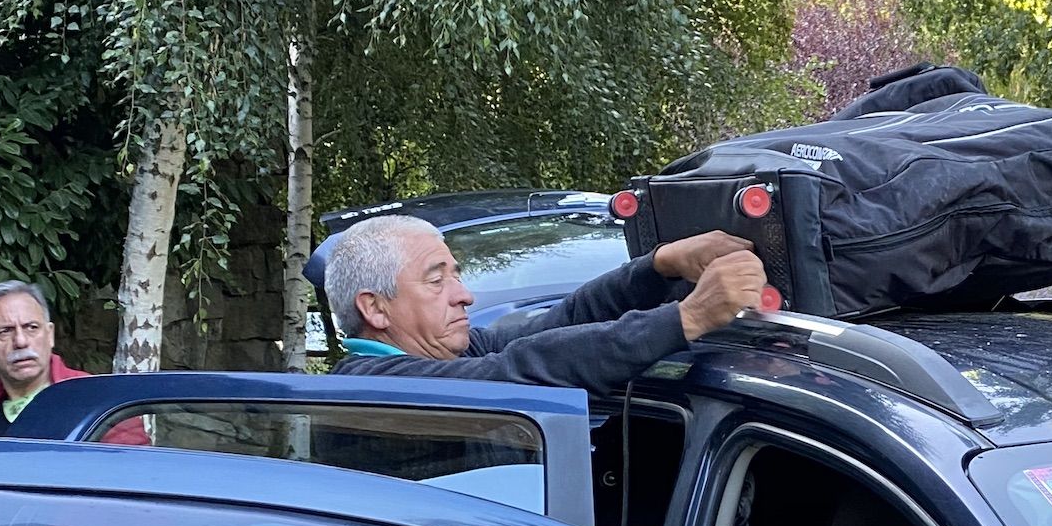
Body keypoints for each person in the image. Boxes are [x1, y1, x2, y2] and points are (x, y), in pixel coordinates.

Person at [322, 214, 770, 391]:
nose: (464, 295)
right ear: (375, 309)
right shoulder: (377, 388)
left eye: (456, 275)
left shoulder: (437, 353)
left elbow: (557, 327)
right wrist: (688, 317)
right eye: (436, 281)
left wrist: (658, 266)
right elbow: (526, 367)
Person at [0, 281, 107, 435]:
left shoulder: (95, 398)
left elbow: (125, 457)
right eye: (4, 331)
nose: (20, 342)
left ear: (50, 334)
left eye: (31, 327)